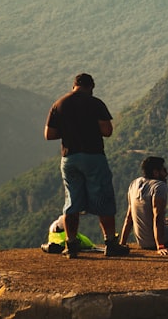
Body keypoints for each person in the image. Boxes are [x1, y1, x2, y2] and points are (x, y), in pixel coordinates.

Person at [44, 73, 129, 258]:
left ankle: (72, 245)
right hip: (93, 157)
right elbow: (107, 131)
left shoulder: (59, 104)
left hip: (69, 159)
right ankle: (110, 243)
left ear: (74, 85)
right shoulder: (95, 103)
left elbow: (49, 134)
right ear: (91, 87)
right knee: (103, 200)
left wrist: (69, 132)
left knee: (72, 202)